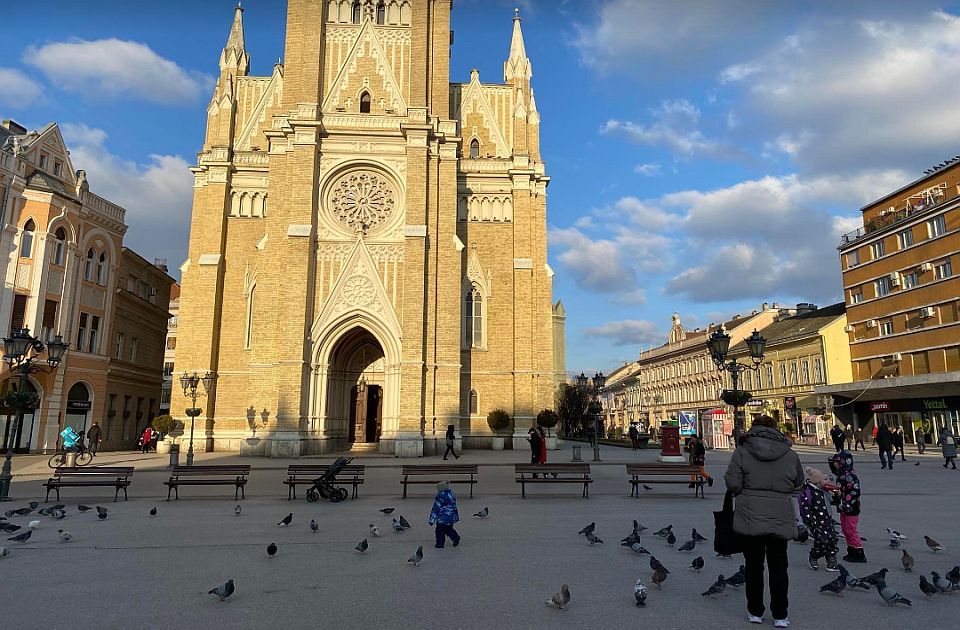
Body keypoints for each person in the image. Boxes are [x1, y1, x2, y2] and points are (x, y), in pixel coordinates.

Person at [724, 415, 804, 628]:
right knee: (779, 565)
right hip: (780, 515)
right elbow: (799, 483)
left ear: (754, 428)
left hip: (751, 515)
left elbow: (732, 483)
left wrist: (745, 492)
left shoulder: (742, 451)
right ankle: (780, 615)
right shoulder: (790, 454)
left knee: (753, 565)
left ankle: (755, 612)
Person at [798, 466, 840, 572]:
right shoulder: (808, 492)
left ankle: (831, 561)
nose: (826, 482)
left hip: (827, 519)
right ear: (817, 481)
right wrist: (810, 522)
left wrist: (837, 495)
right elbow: (806, 508)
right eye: (824, 480)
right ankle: (814, 556)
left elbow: (833, 502)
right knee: (821, 541)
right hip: (816, 521)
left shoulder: (823, 491)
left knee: (832, 539)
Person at [828, 451, 865, 563]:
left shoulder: (850, 476)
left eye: (836, 463)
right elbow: (840, 490)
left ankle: (859, 552)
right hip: (843, 507)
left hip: (851, 508)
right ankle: (851, 550)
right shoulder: (841, 475)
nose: (834, 465)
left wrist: (846, 502)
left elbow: (855, 492)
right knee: (845, 529)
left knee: (851, 529)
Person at [428, 481, 460, 548]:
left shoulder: (440, 497)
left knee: (439, 531)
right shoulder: (451, 496)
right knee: (449, 529)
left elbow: (435, 509)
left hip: (442, 519)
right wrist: (455, 517)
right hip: (450, 517)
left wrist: (432, 520)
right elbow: (454, 508)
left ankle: (440, 544)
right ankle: (455, 537)